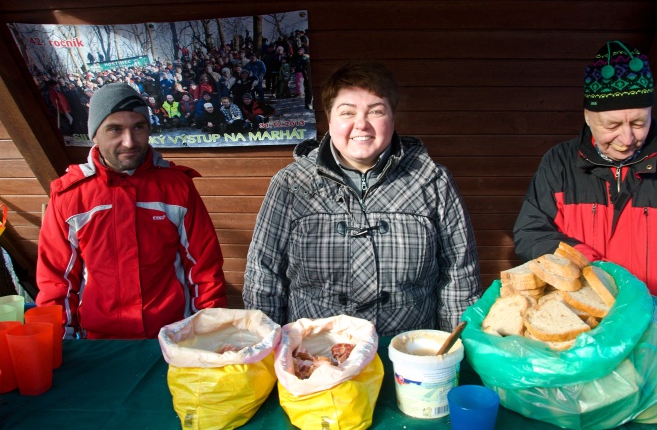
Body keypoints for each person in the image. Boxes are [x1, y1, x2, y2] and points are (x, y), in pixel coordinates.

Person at [243, 61, 481, 337]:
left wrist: (452, 352)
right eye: (347, 112)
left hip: (406, 355)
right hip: (316, 357)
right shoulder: (292, 184)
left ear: (393, 119)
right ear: (329, 120)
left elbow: (459, 276)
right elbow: (263, 275)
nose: (361, 124)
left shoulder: (432, 181)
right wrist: (267, 351)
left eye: (376, 111)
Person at [512, 40, 657, 337]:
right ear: (588, 115)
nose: (627, 138)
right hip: (588, 328)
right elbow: (530, 231)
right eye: (612, 125)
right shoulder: (560, 162)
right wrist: (589, 266)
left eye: (639, 122)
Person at [35, 83, 226, 339]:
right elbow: (56, 281)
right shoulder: (70, 195)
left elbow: (204, 268)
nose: (129, 141)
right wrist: (58, 347)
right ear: (94, 134)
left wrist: (209, 335)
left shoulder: (177, 187)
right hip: (100, 345)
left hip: (172, 337)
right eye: (115, 129)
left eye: (138, 127)